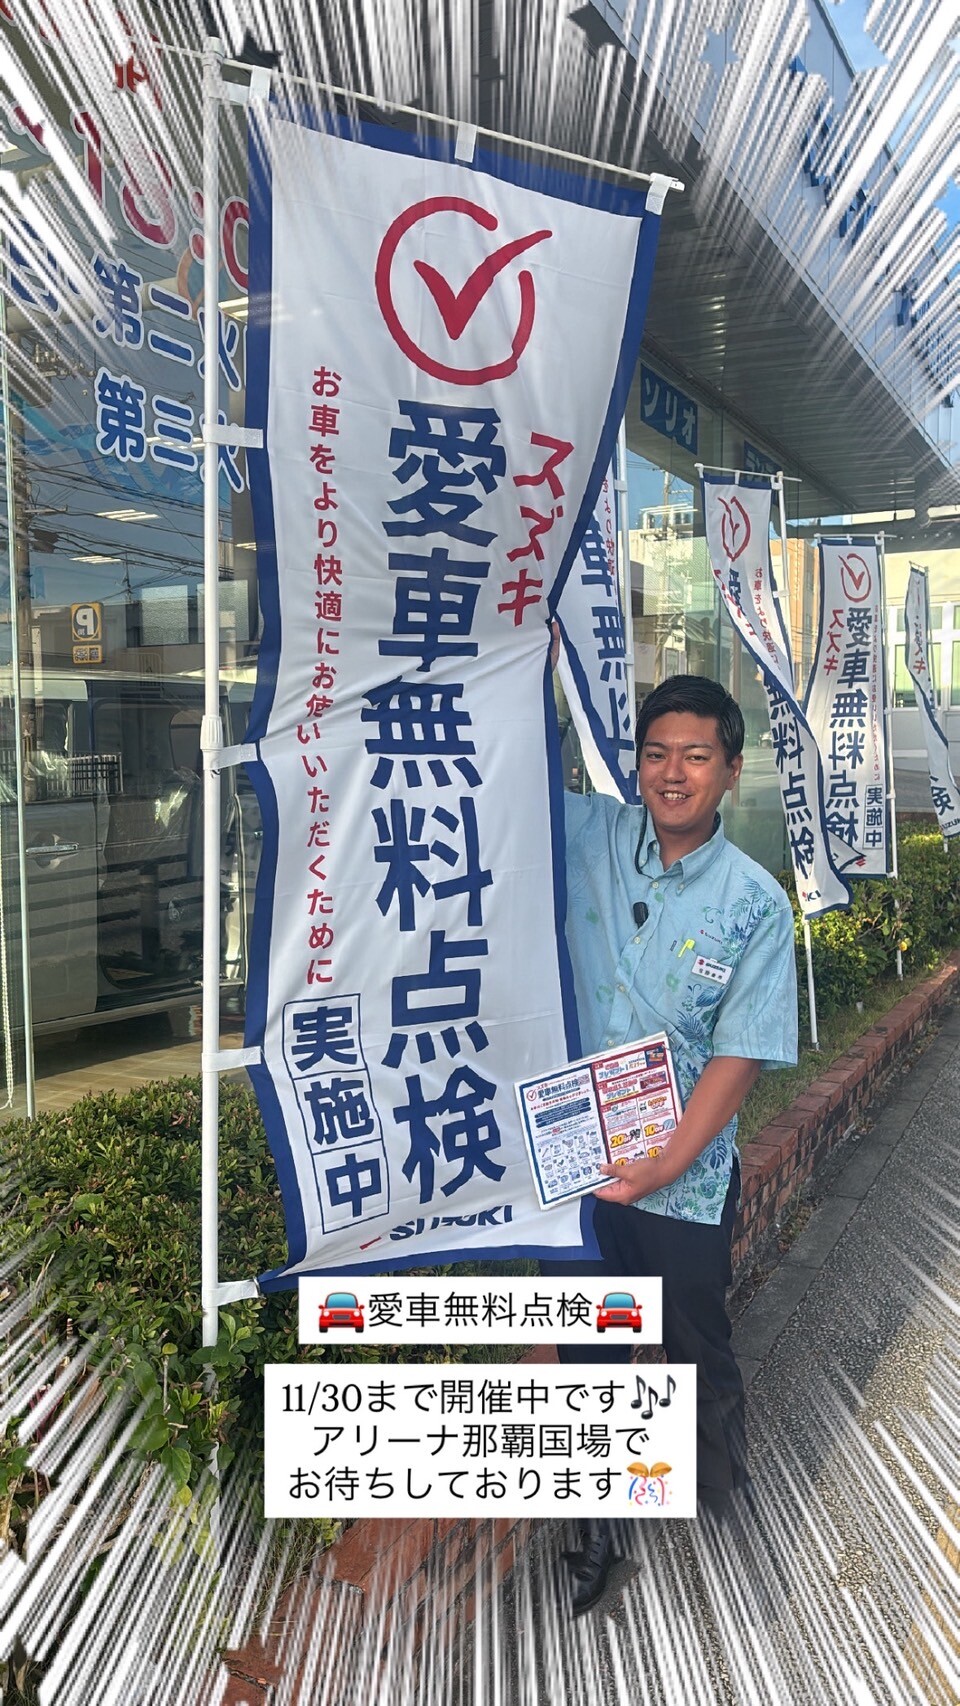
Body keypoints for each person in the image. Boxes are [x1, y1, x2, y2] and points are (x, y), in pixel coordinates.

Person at [543, 672, 798, 1614]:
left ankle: (724, 1507)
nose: (672, 774)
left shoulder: (754, 903)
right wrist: (527, 649)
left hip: (680, 1182)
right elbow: (512, 778)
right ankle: (594, 1535)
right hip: (579, 1166)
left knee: (695, 1345)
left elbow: (740, 1054)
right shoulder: (593, 836)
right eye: (656, 754)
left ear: (730, 769)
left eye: (695, 756)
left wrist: (668, 1163)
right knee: (587, 1351)